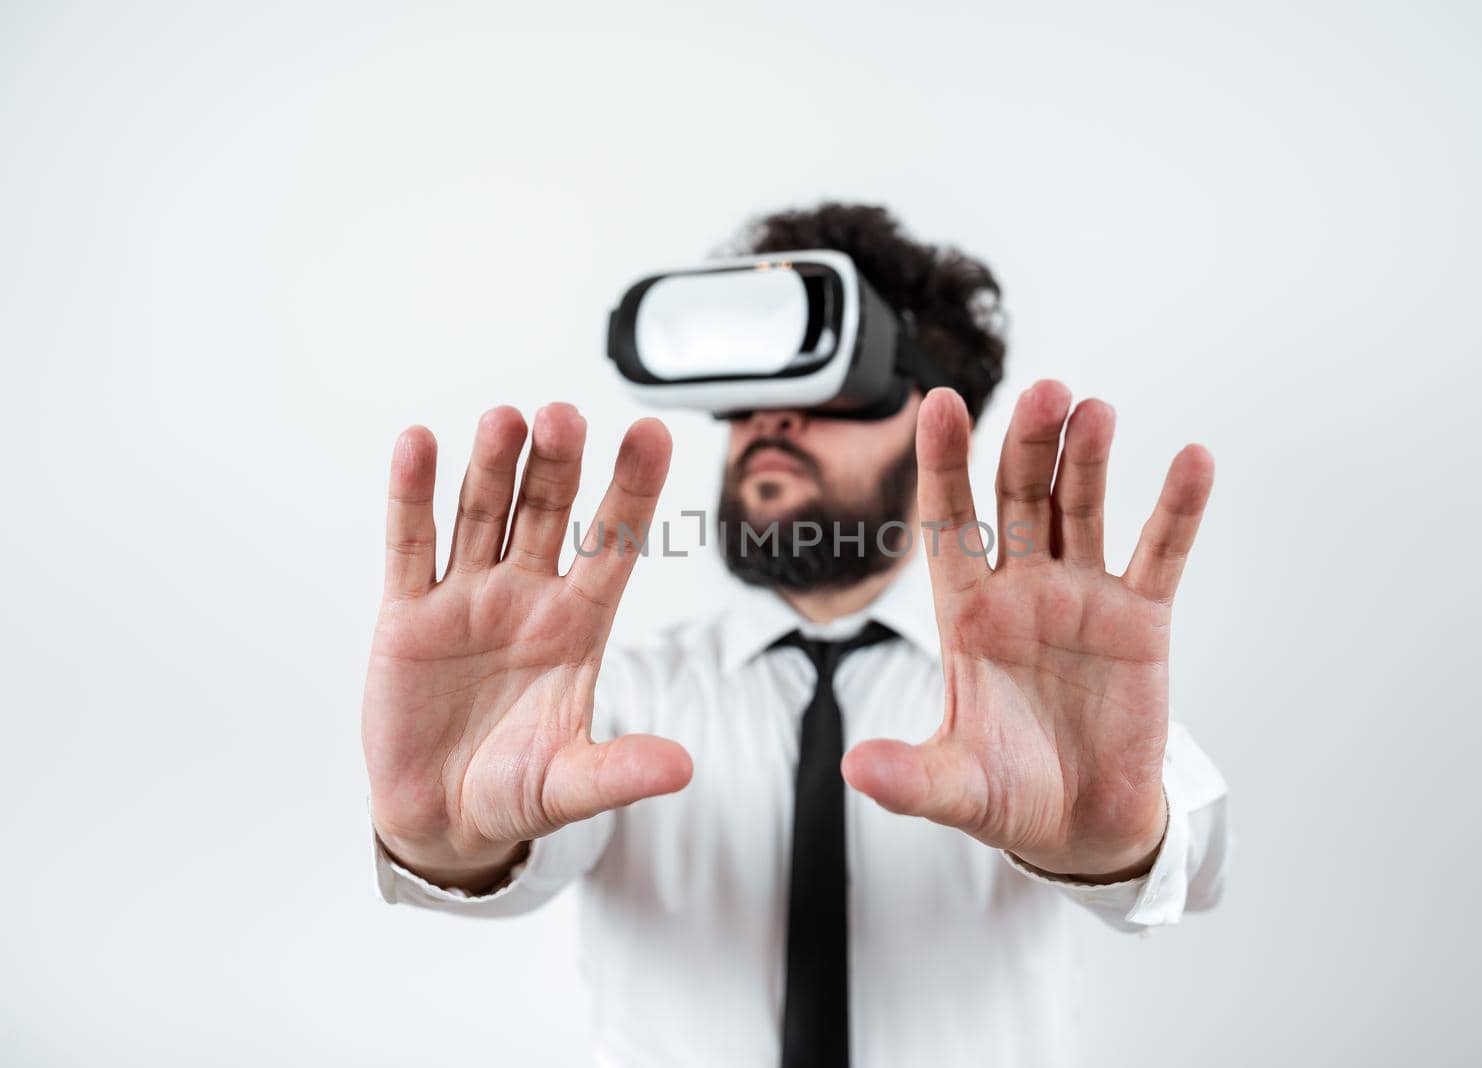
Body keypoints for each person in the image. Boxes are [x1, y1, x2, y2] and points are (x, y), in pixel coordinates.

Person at [360, 202, 1229, 1067]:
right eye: (751, 386)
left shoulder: (1044, 696)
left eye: (832, 381)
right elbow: (503, 861)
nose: (774, 416)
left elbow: (1194, 860)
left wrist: (1116, 839)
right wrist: (439, 837)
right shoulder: (606, 699)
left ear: (942, 419)